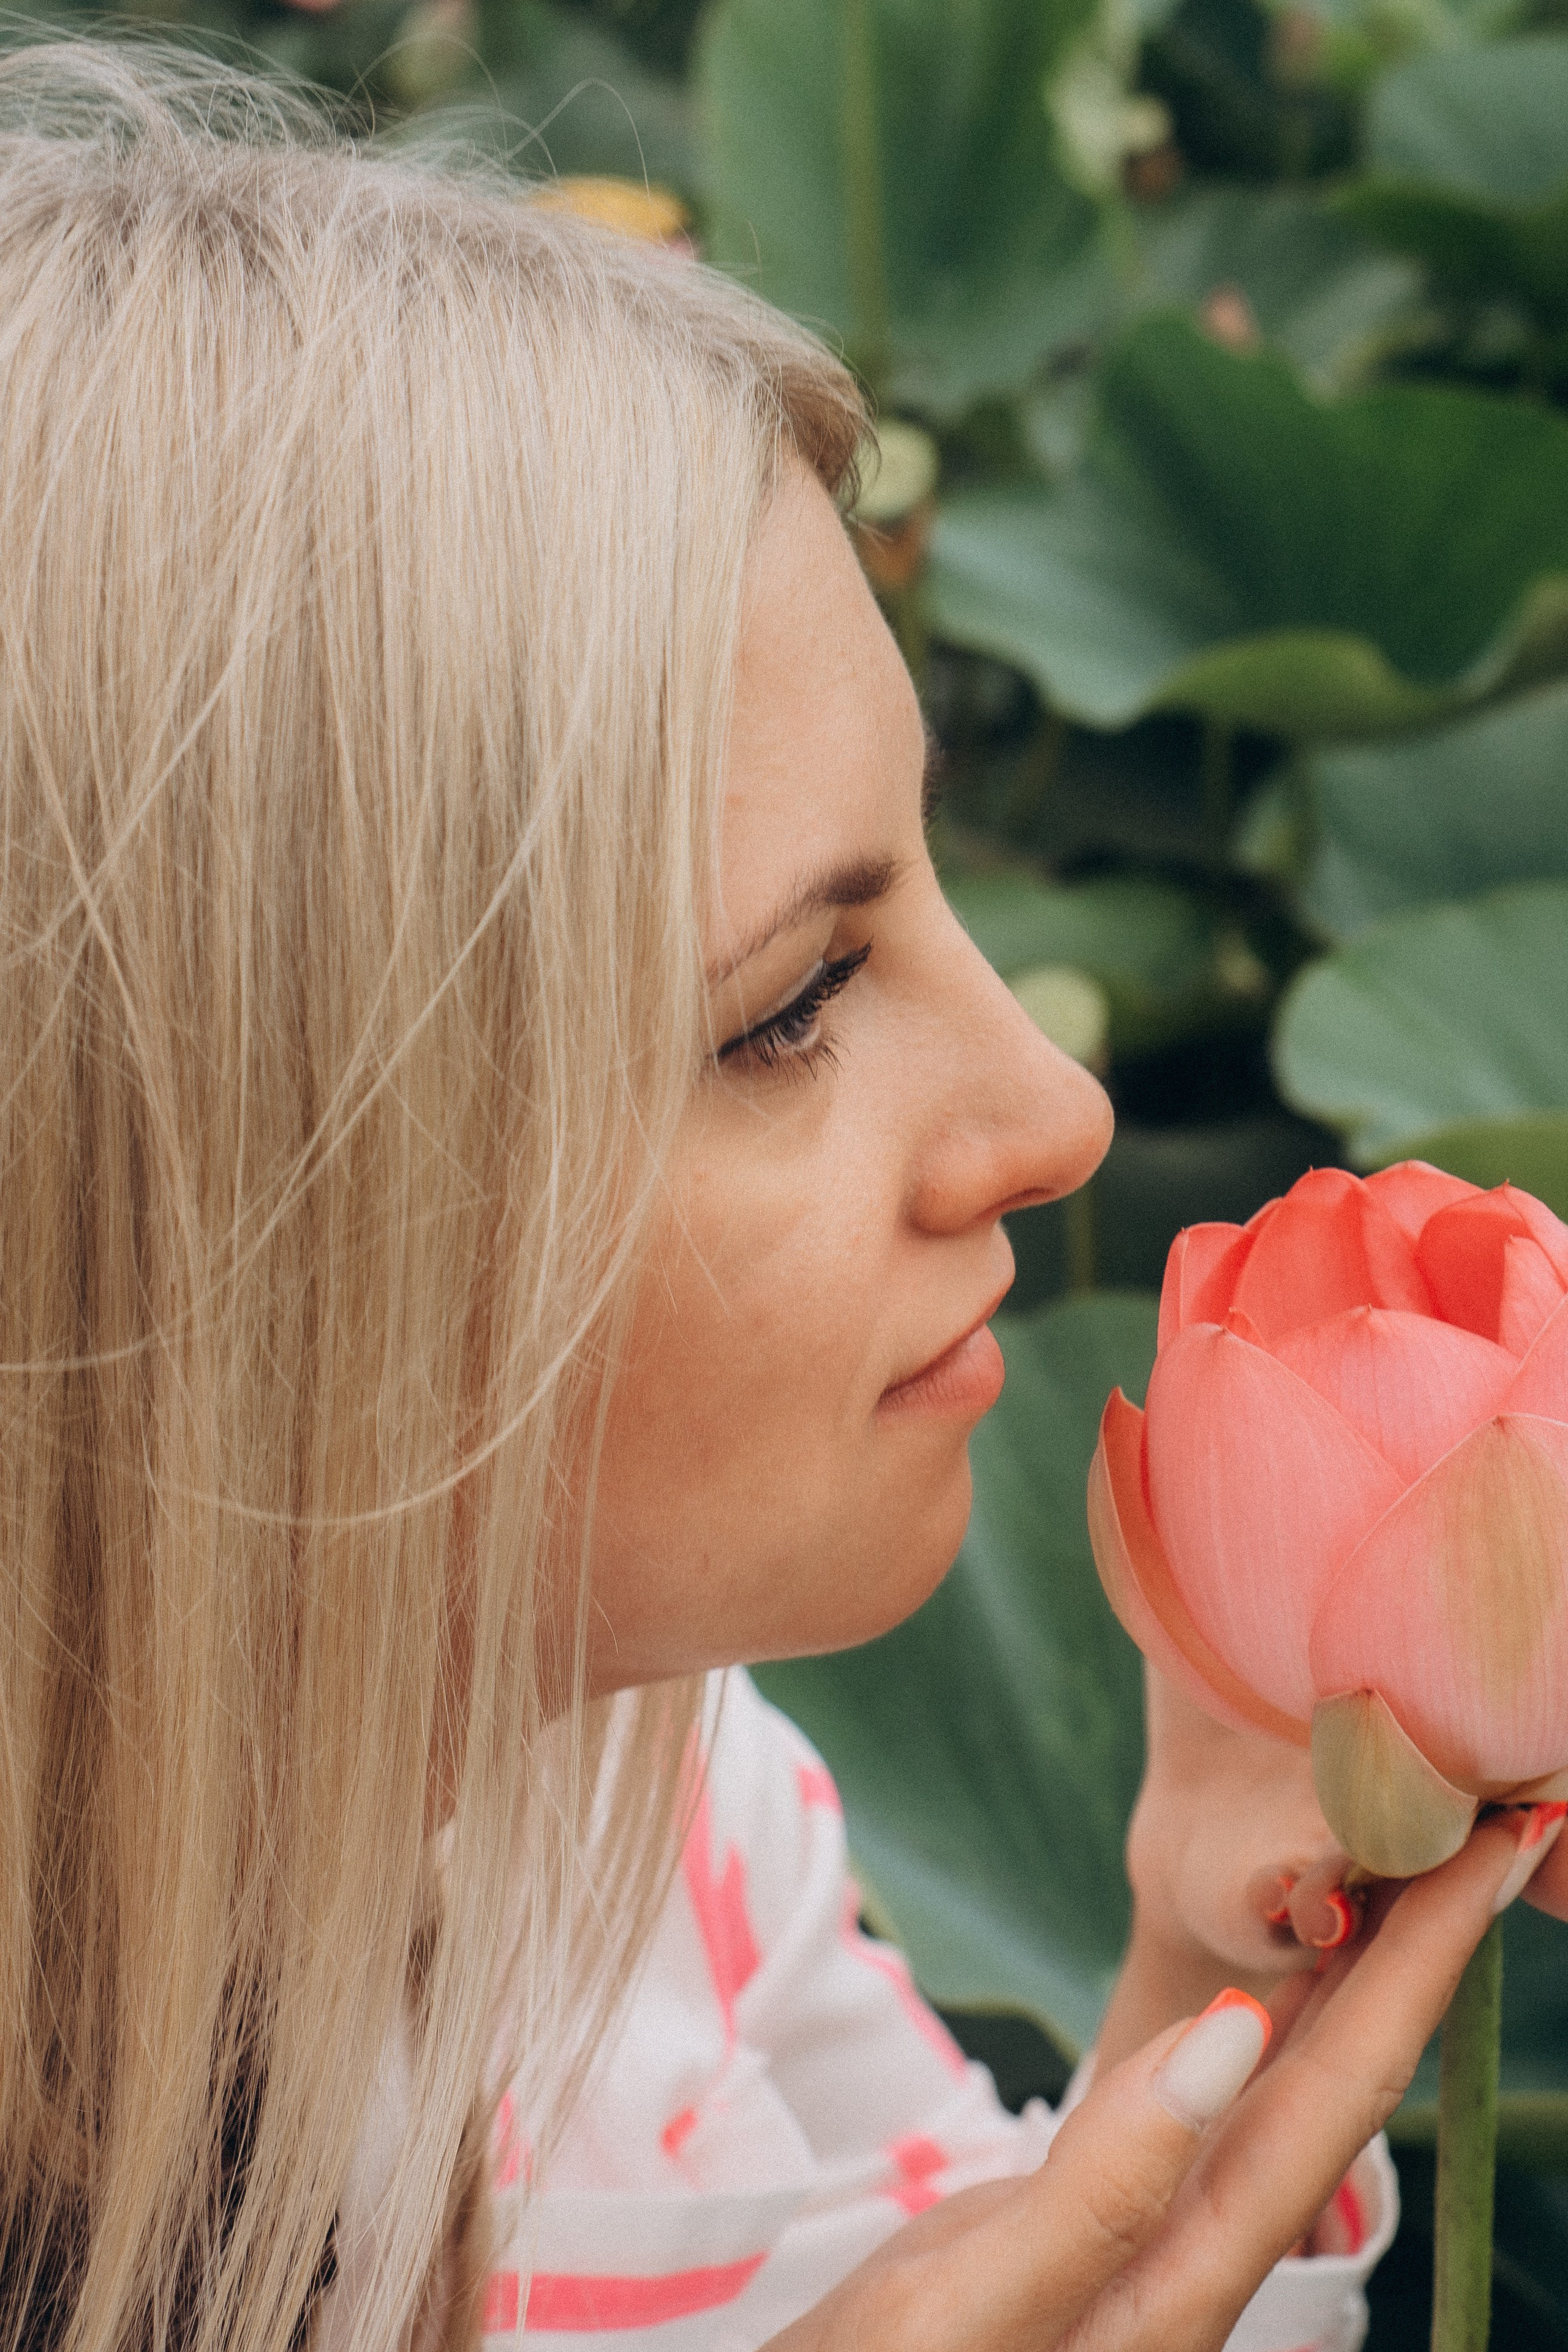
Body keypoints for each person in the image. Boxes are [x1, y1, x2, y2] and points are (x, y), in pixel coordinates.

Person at [0, 40, 1561, 2352]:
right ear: (238, 1214)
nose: (1059, 1112)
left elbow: (948, 2275)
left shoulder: (673, 1803)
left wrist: (1199, 1970)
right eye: (792, 1005)